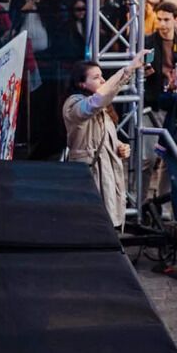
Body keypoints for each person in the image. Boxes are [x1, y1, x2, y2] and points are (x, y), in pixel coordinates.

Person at [64, 54, 146, 228]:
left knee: (107, 224)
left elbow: (106, 137)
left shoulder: (103, 108)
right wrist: (129, 69)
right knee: (89, 224)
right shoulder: (74, 106)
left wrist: (120, 147)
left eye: (102, 76)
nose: (102, 80)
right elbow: (96, 101)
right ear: (81, 84)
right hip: (88, 176)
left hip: (108, 173)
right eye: (96, 77)